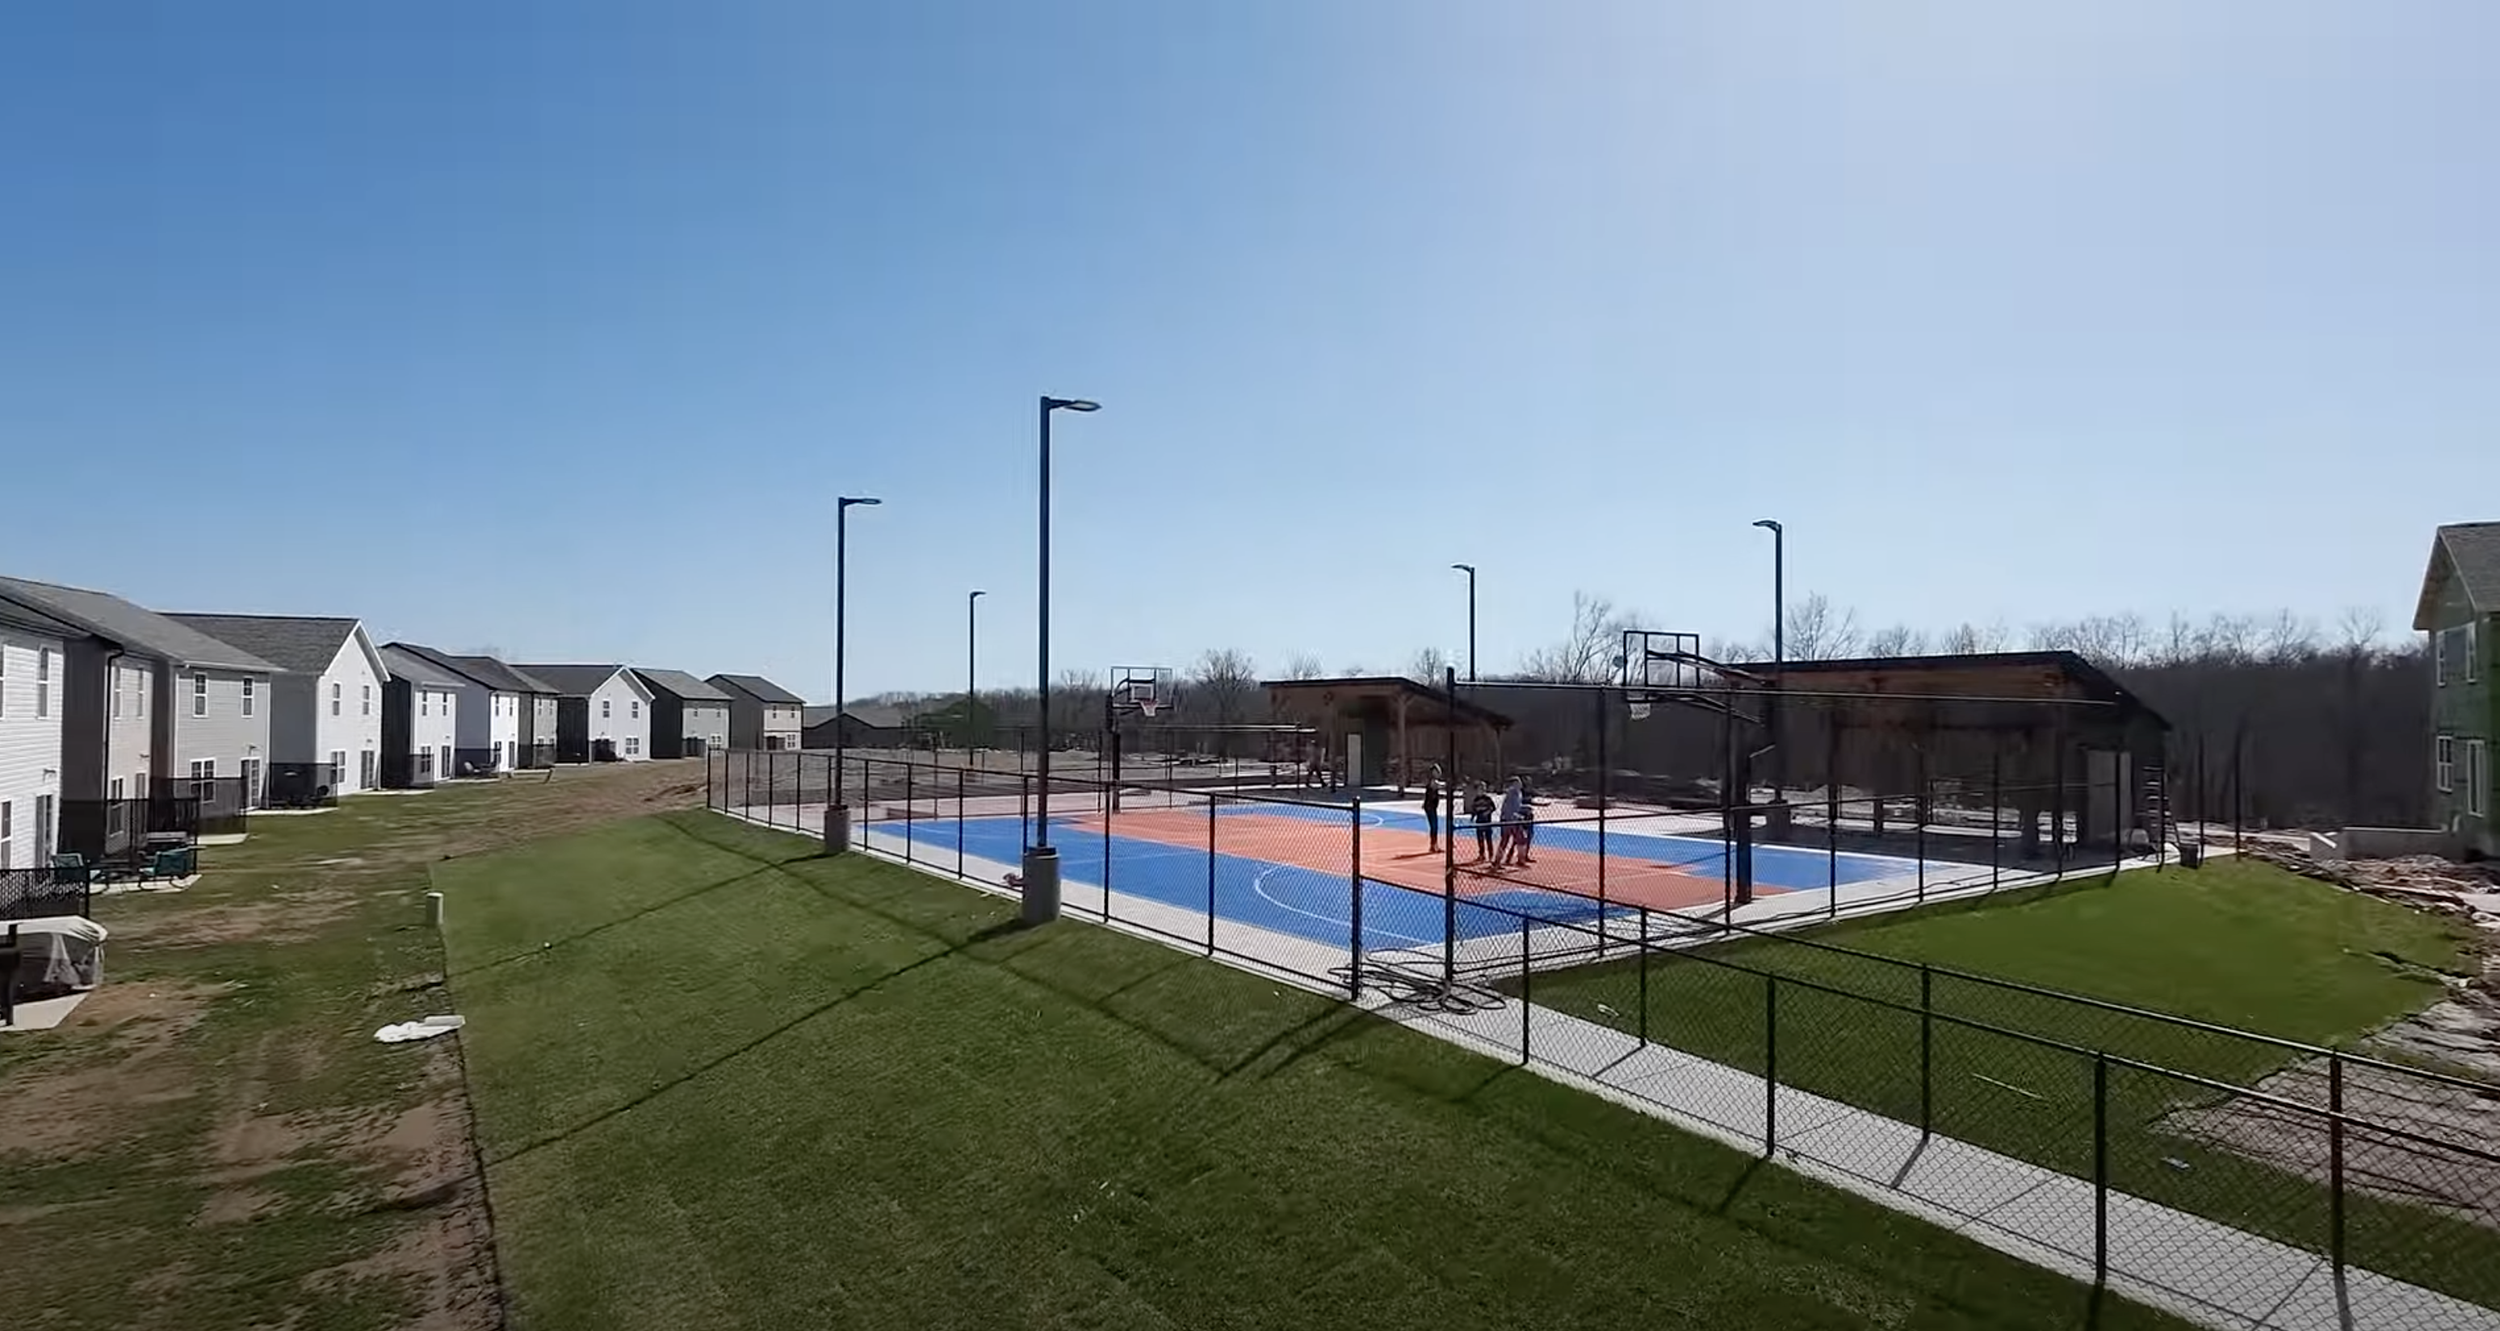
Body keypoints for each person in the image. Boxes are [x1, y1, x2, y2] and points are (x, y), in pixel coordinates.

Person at [1495, 777, 1526, 867]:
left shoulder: (1519, 794)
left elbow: (1517, 807)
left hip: (1515, 820)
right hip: (1507, 820)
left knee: (1521, 839)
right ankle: (1497, 861)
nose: (1520, 784)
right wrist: (1514, 816)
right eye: (1517, 783)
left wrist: (1523, 809)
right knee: (1505, 840)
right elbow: (1508, 808)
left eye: (1519, 782)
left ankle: (1521, 859)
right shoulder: (1511, 793)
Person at [1468, 780, 1497, 863]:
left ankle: (1491, 854)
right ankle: (1482, 854)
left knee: (1488, 838)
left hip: (1487, 821)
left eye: (1482, 789)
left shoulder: (1488, 799)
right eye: (1479, 789)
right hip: (1479, 821)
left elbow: (1493, 808)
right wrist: (1472, 817)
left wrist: (1487, 812)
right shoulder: (1476, 799)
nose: (1480, 791)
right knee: (1480, 838)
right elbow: (1474, 810)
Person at [1421, 764, 1445, 851]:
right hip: (1430, 806)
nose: (1439, 773)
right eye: (1437, 771)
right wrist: (1448, 784)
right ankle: (1433, 845)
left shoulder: (1434, 781)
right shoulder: (1432, 781)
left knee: (1434, 826)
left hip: (1432, 806)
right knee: (1434, 826)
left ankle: (1434, 844)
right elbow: (1438, 785)